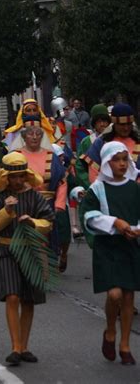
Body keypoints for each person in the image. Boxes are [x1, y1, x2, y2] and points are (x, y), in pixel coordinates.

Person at [0, 152, 55, 366]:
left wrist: (32, 222)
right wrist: (6, 211)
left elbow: (48, 222)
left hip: (31, 251)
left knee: (28, 299)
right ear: (5, 177)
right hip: (7, 250)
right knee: (12, 296)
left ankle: (24, 346)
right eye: (13, 177)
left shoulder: (34, 196)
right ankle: (15, 347)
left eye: (21, 176)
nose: (18, 181)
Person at [80, 142, 140, 365]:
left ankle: (125, 344)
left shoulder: (134, 188)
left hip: (129, 246)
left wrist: (136, 229)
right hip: (108, 246)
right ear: (107, 163)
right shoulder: (98, 188)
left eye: (125, 159)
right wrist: (115, 222)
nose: (122, 164)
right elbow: (88, 215)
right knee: (114, 294)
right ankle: (109, 330)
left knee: (127, 296)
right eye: (117, 160)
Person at [11, 117, 67, 254]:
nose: (34, 137)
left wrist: (59, 204)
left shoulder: (51, 155)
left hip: (47, 204)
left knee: (47, 244)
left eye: (38, 133)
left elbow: (62, 180)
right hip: (22, 204)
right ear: (24, 136)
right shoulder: (15, 156)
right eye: (30, 133)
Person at [83, 104, 140, 185]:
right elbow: (94, 174)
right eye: (122, 124)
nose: (126, 128)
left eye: (129, 124)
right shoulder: (101, 143)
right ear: (114, 123)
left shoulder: (138, 142)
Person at [75, 104, 111, 191]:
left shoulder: (115, 140)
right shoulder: (87, 142)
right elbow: (80, 167)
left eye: (104, 121)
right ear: (94, 124)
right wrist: (90, 185)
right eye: (98, 122)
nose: (102, 124)